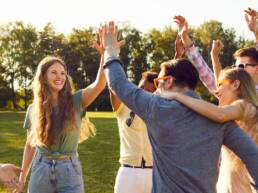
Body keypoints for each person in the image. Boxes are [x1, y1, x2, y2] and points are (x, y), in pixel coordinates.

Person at [100, 21, 258, 193]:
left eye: (158, 81)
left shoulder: (157, 108)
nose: (157, 87)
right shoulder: (219, 118)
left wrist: (110, 51)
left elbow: (117, 83)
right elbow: (253, 156)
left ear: (169, 81)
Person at [173, 15, 258, 193]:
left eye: (243, 67)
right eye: (236, 66)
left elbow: (219, 113)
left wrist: (256, 32)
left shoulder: (248, 103)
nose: (238, 70)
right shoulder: (230, 96)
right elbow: (211, 77)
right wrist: (188, 43)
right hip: (227, 175)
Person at [14, 54, 106, 193]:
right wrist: (22, 178)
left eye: (63, 73)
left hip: (69, 170)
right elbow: (30, 145)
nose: (60, 76)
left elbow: (99, 84)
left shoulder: (76, 101)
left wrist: (105, 54)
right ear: (43, 76)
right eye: (54, 72)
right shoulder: (33, 109)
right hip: (41, 169)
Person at [110, 71, 157, 193]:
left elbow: (169, 83)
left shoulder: (159, 110)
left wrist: (178, 56)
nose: (144, 92)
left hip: (154, 173)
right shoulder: (123, 106)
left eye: (149, 90)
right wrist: (107, 56)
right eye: (141, 88)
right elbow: (113, 84)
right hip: (127, 172)